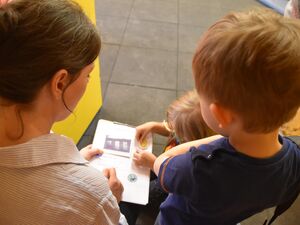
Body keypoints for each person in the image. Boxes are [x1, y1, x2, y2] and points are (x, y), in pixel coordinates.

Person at [153, 8, 300, 225]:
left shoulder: (198, 169)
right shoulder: (293, 159)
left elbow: (162, 164)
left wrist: (215, 140)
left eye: (201, 96)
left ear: (220, 115)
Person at [0, 0, 124, 224]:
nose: (88, 82)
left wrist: (75, 168)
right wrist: (109, 199)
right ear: (59, 83)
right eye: (87, 75)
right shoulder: (91, 197)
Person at [119, 90, 214, 225]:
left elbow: (175, 177)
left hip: (169, 186)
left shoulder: (195, 162)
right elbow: (172, 128)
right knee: (135, 178)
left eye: (177, 132)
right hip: (163, 168)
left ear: (191, 138)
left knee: (131, 197)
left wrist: (153, 163)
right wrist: (154, 126)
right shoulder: (192, 133)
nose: (172, 132)